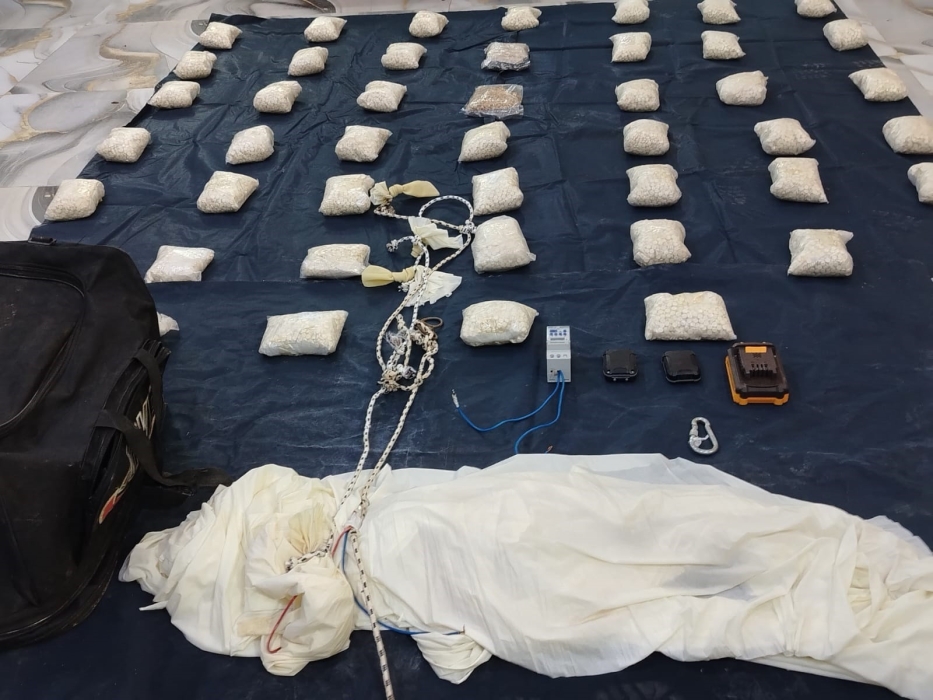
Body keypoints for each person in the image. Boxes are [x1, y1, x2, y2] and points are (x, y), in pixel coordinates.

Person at [122, 453, 933, 700]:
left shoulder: (293, 509)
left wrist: (317, 551)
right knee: (588, 576)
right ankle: (793, 568)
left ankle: (785, 553)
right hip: (442, 557)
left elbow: (305, 599)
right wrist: (318, 574)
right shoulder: (299, 557)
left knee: (619, 513)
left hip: (463, 517)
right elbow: (317, 618)